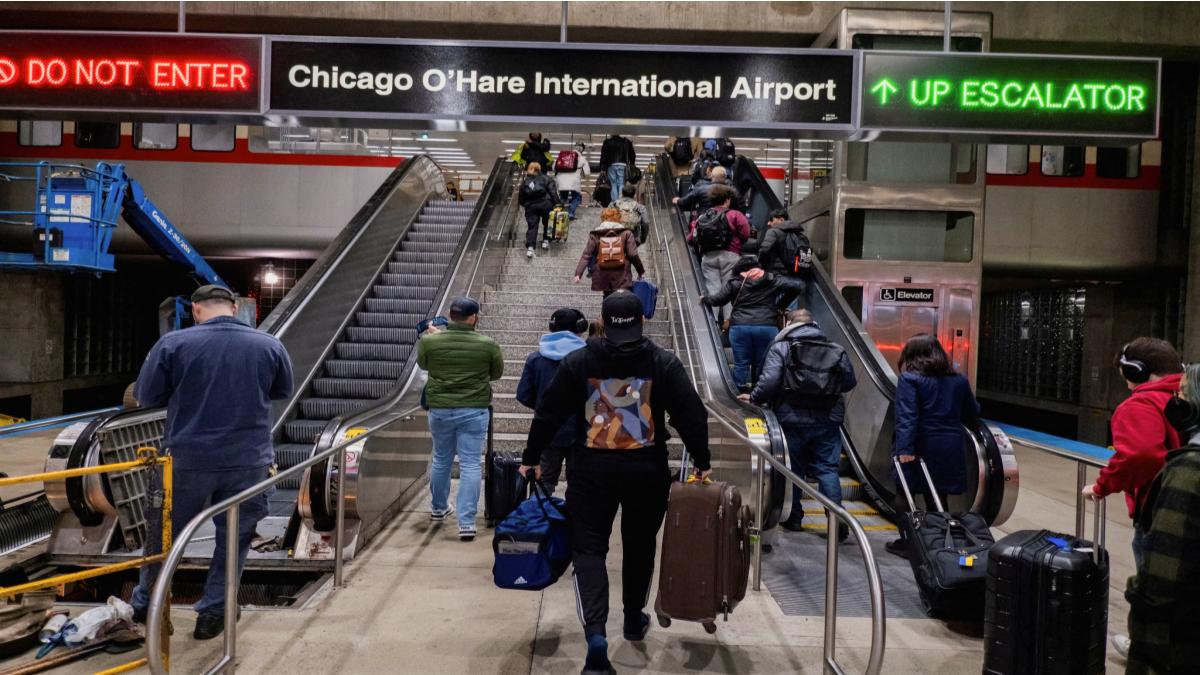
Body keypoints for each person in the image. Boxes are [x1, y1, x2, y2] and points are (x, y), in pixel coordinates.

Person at [518, 291, 711, 675]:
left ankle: (596, 638)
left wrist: (531, 457)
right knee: (640, 546)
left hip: (590, 472)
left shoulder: (578, 361)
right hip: (647, 472)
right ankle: (633, 618)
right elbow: (692, 414)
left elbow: (548, 413)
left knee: (588, 550)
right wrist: (702, 461)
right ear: (642, 321)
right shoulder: (663, 362)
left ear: (602, 323)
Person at [130, 285, 294, 640]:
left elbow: (147, 396)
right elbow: (281, 391)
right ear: (234, 308)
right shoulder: (269, 345)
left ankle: (147, 606)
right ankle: (214, 613)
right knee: (235, 538)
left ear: (195, 309)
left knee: (164, 536)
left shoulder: (173, 344)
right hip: (248, 461)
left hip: (186, 460)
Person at [1080, 337, 1182, 657]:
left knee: (1154, 590)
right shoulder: (1189, 397)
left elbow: (1140, 455)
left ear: (1138, 371)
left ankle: (1148, 650)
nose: (1126, 384)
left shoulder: (1141, 404)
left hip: (1162, 513)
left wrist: (1102, 486)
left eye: (1126, 375)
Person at [744, 309, 856, 541]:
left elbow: (770, 381)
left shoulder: (782, 347)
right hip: (827, 419)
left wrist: (753, 397)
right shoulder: (835, 348)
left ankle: (794, 517)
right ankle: (836, 522)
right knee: (827, 469)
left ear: (789, 323)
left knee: (792, 469)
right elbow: (848, 382)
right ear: (813, 323)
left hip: (791, 417)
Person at [1124, 362, 1200, 674]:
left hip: (1178, 643)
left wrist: (1136, 594)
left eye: (1183, 394)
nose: (1176, 401)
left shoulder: (1188, 472)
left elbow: (1161, 576)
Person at [415, 297, 504, 542]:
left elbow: (424, 364)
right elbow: (496, 374)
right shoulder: (488, 345)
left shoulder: (429, 341)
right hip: (474, 410)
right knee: (471, 464)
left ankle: (438, 508)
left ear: (450, 315)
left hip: (440, 409)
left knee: (441, 459)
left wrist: (436, 338)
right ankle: (466, 523)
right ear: (473, 317)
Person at [885, 333, 980, 557]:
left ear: (911, 355)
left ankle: (909, 544)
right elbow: (972, 412)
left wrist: (905, 449)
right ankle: (938, 543)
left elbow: (907, 416)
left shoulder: (910, 379)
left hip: (919, 445)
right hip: (949, 446)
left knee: (905, 494)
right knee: (938, 495)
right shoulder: (959, 380)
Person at [516, 308, 588, 492]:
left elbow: (523, 395)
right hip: (582, 431)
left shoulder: (536, 359)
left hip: (547, 431)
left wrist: (544, 406)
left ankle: (540, 510)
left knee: (544, 483)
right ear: (580, 328)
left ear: (551, 327)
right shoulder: (588, 359)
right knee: (581, 487)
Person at [700, 256, 798, 391]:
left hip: (740, 327)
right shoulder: (772, 280)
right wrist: (780, 305)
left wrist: (705, 299)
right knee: (762, 363)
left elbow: (718, 300)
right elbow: (798, 286)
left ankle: (738, 392)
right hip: (767, 326)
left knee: (741, 363)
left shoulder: (735, 283)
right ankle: (759, 392)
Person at [685, 184, 752, 319]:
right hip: (731, 256)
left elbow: (690, 239)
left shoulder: (703, 217)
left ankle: (712, 323)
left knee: (712, 290)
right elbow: (745, 233)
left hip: (708, 257)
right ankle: (727, 322)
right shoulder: (735, 214)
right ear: (727, 200)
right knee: (729, 289)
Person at [573, 207, 645, 297]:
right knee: (623, 298)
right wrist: (640, 271)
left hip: (603, 273)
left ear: (603, 218)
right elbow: (633, 254)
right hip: (622, 274)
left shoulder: (596, 234)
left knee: (607, 297)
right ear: (618, 219)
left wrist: (578, 274)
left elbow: (586, 255)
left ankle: (607, 305)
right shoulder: (626, 233)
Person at [757, 208, 812, 307]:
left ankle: (774, 312)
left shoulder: (773, 232)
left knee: (768, 305)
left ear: (781, 220)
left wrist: (761, 266)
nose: (769, 223)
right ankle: (783, 313)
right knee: (788, 308)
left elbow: (764, 250)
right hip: (794, 280)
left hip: (775, 277)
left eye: (771, 220)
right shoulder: (799, 235)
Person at [518, 162, 560, 258]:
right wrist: (557, 204)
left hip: (531, 206)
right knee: (547, 223)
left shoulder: (525, 182)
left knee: (532, 226)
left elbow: (521, 199)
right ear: (539, 169)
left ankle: (530, 248)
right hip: (546, 204)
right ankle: (546, 241)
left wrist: (526, 205)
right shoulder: (547, 179)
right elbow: (553, 192)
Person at [554, 141, 591, 220]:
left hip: (561, 180)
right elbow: (587, 173)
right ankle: (571, 213)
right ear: (582, 150)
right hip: (574, 181)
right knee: (577, 197)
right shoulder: (582, 159)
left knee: (563, 197)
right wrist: (583, 175)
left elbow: (554, 167)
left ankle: (558, 213)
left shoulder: (563, 156)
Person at [599, 133, 635, 204]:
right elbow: (632, 155)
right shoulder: (626, 141)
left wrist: (602, 168)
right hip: (623, 165)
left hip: (611, 165)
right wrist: (632, 164)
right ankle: (621, 201)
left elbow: (603, 156)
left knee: (613, 184)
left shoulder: (607, 142)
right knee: (621, 184)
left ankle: (615, 202)